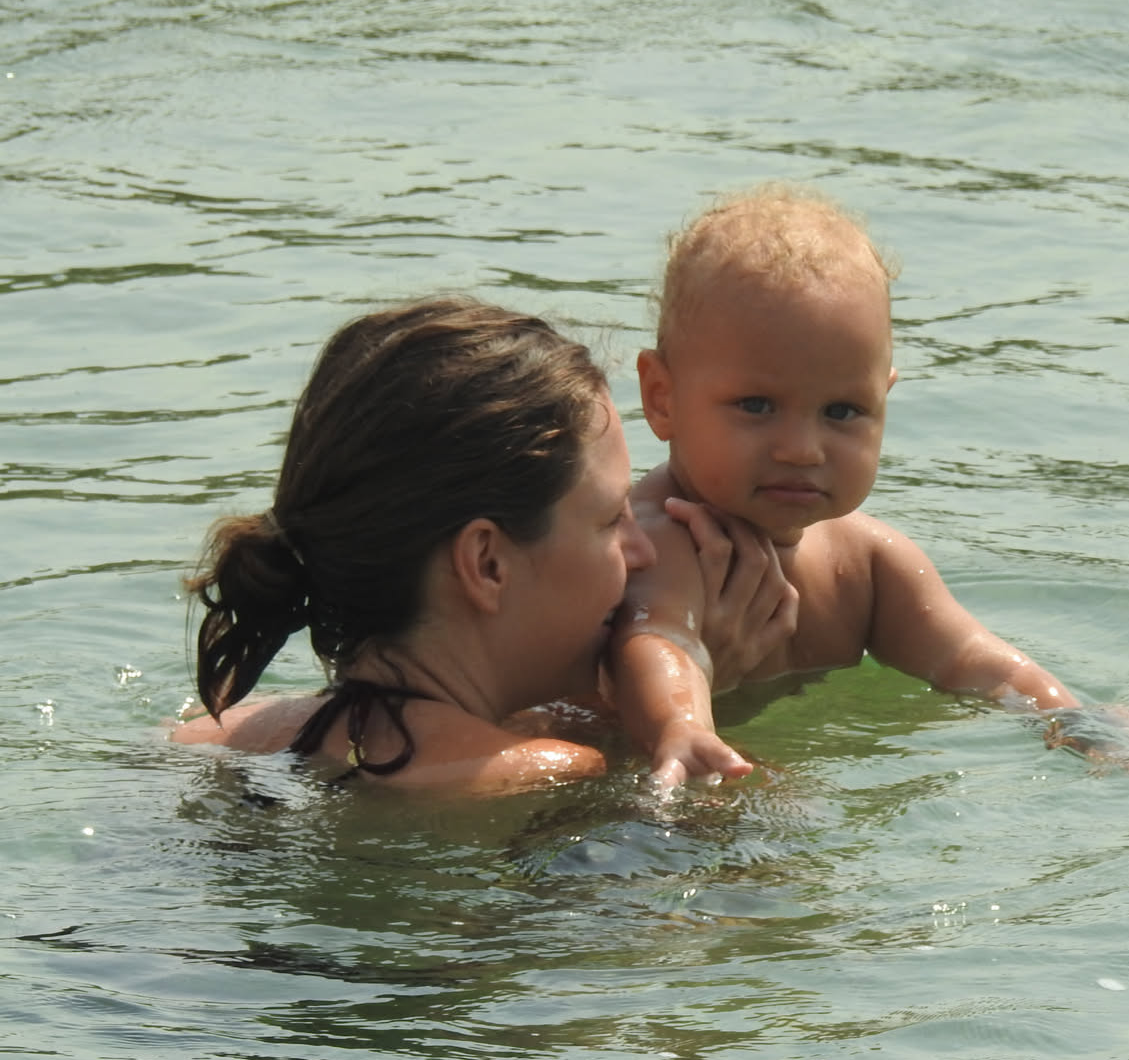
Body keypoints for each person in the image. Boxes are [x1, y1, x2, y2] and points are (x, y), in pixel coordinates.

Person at [171, 296, 791, 795]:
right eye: (610, 521)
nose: (643, 552)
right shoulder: (549, 772)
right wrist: (693, 712)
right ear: (487, 563)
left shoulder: (217, 735)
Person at [610, 185, 1087, 786]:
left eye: (842, 412)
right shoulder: (658, 542)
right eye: (756, 405)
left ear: (884, 399)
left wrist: (1074, 720)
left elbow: (974, 660)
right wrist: (681, 725)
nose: (802, 449)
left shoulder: (866, 562)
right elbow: (659, 640)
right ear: (662, 398)